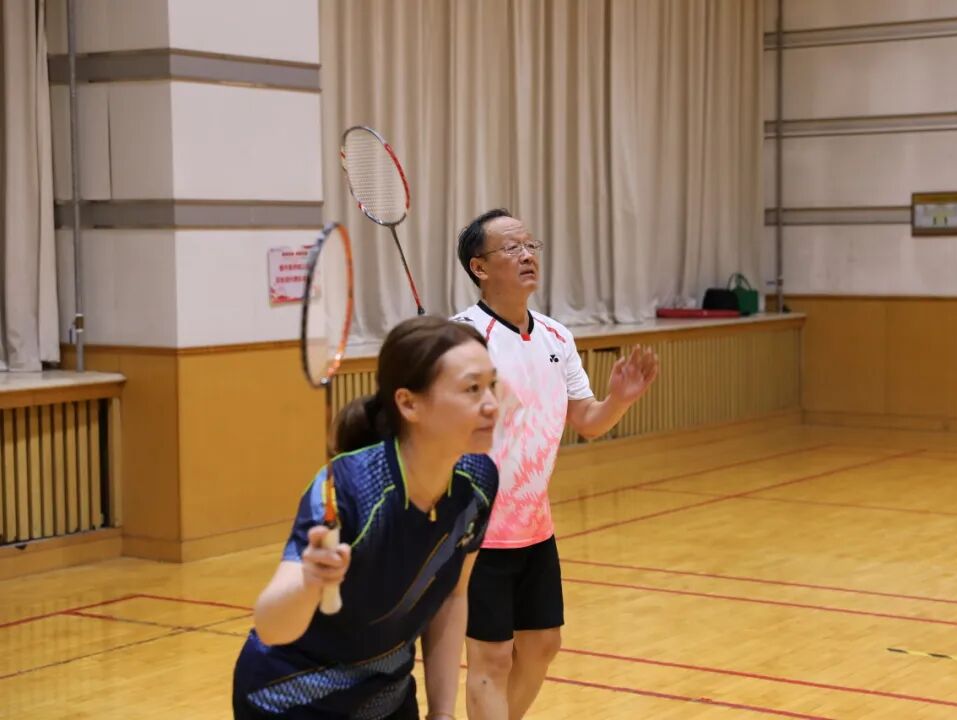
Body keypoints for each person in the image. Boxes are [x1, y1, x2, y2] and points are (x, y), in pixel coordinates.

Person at [233, 316, 501, 720]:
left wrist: (442, 711)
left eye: (492, 385)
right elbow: (271, 628)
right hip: (291, 700)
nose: (492, 404)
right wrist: (310, 582)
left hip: (384, 699)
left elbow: (452, 595)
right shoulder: (350, 488)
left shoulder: (478, 481)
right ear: (409, 403)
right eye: (472, 389)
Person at [452, 209, 659, 720]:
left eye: (531, 245)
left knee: (543, 644)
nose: (528, 256)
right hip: (475, 530)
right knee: (491, 656)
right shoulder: (460, 339)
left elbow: (586, 421)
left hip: (534, 526)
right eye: (512, 248)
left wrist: (619, 400)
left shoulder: (556, 336)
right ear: (480, 267)